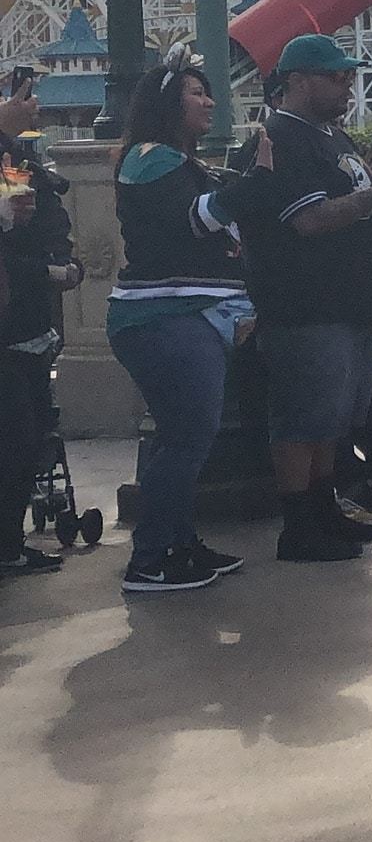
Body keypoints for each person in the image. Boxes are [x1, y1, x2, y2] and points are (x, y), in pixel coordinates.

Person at [234, 35, 372, 560]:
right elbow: (308, 219)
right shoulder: (282, 139)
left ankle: (325, 511)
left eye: (348, 76)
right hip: (304, 306)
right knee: (302, 418)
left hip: (344, 304)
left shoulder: (329, 137)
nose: (348, 85)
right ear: (297, 82)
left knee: (331, 418)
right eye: (336, 77)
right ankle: (299, 525)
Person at [103, 54, 247, 591]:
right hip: (166, 318)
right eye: (195, 92)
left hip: (174, 318)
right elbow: (196, 220)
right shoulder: (150, 159)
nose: (209, 101)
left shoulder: (170, 161)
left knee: (182, 437)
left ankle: (179, 543)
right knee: (189, 435)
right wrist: (256, 185)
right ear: (167, 102)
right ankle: (151, 557)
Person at [0, 77, 55, 577]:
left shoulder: (15, 158)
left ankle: (10, 543)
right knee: (15, 434)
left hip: (17, 320)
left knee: (24, 434)